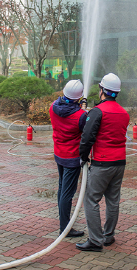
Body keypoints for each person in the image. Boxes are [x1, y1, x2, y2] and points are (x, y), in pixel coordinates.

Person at [77, 73, 129, 252]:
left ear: (102, 91)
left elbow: (87, 137)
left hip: (102, 164)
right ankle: (108, 236)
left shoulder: (98, 111)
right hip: (120, 163)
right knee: (113, 200)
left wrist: (83, 157)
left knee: (91, 199)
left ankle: (95, 240)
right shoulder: (124, 113)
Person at [50, 80, 88, 238]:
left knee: (61, 189)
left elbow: (69, 111)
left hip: (58, 153)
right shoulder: (81, 116)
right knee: (67, 193)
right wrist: (84, 110)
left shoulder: (53, 107)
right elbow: (85, 130)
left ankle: (63, 221)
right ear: (78, 98)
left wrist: (81, 109)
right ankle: (64, 228)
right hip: (72, 158)